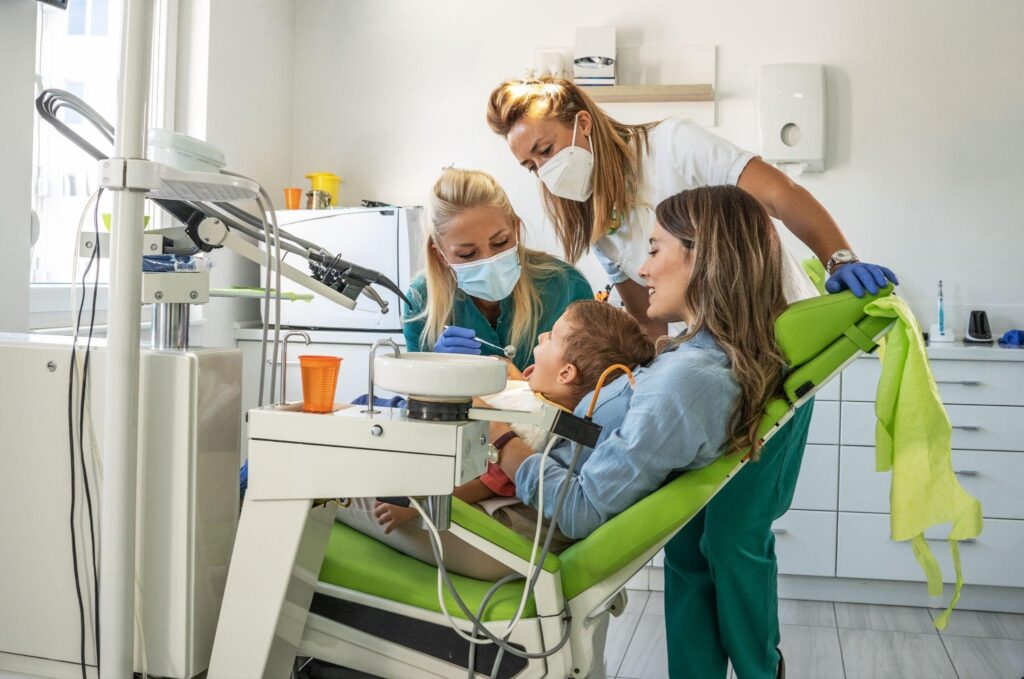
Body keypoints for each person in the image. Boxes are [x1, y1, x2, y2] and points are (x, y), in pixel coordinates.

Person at [492, 186, 808, 679]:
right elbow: (615, 441)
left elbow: (581, 509)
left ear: (703, 257)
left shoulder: (686, 381)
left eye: (656, 249)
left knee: (354, 513)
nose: (642, 269)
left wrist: (503, 441)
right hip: (545, 494)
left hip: (545, 520)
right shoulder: (688, 357)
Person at [486, 75, 897, 338]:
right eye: (531, 166)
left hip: (778, 328)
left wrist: (838, 260)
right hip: (714, 353)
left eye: (546, 149)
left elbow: (780, 194)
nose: (545, 171)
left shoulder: (673, 145)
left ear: (584, 123)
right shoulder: (594, 218)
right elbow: (649, 321)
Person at [338, 300, 655, 580]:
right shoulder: (547, 403)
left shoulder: (539, 425)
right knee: (354, 411)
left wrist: (418, 504)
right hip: (414, 432)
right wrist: (517, 378)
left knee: (325, 459)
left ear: (566, 374)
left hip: (420, 454)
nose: (542, 337)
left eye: (551, 337)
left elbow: (494, 480)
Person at [403, 167, 593, 372]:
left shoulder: (566, 286)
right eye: (467, 254)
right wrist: (435, 368)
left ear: (516, 229)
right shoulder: (421, 301)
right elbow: (419, 396)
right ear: (441, 255)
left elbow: (591, 386)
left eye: (501, 242)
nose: (489, 260)